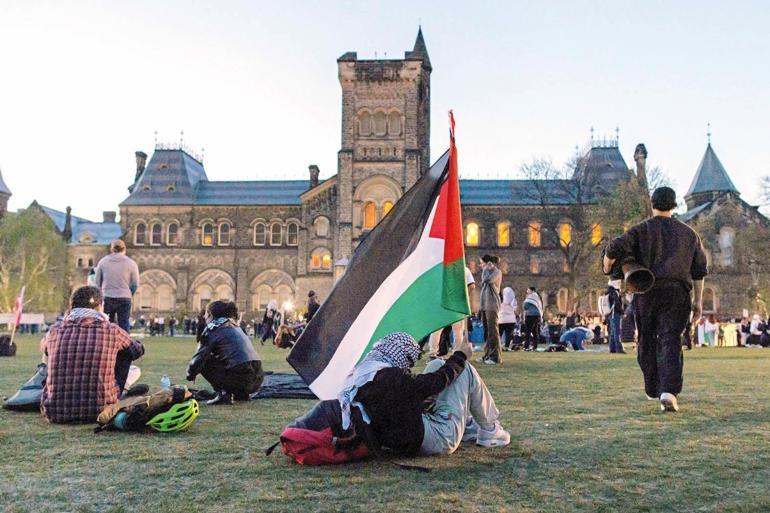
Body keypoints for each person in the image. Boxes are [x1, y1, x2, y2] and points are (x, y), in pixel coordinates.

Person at [604, 186, 708, 413]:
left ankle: (653, 387)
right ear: (674, 205)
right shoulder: (690, 234)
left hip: (647, 290)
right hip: (677, 292)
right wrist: (698, 302)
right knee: (671, 340)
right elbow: (699, 270)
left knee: (647, 340)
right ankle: (668, 391)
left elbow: (613, 247)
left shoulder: (641, 230)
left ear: (652, 204)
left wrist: (607, 264)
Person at [336, 332, 510, 457]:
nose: (407, 366)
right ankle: (490, 429)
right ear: (397, 353)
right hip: (435, 439)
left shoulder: (362, 376)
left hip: (402, 439)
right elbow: (435, 382)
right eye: (408, 360)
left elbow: (401, 403)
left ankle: (468, 425)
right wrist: (461, 356)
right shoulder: (389, 379)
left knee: (436, 364)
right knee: (465, 371)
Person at [40, 286, 145, 424]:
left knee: (49, 350)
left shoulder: (54, 331)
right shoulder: (112, 330)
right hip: (102, 410)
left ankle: (56, 391)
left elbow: (44, 350)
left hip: (55, 412)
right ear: (100, 306)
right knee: (127, 355)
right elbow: (137, 350)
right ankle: (119, 391)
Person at [186, 300, 264, 405]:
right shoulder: (235, 325)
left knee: (206, 360)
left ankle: (223, 394)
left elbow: (198, 359)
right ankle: (242, 395)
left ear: (210, 314)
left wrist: (190, 374)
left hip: (239, 379)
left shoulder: (212, 328)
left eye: (205, 314)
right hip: (258, 379)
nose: (204, 317)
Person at [428, 265, 476, 358]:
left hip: (444, 302)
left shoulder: (442, 268)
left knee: (437, 329)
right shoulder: (464, 269)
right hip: (457, 303)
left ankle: (432, 353)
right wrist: (464, 297)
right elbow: (472, 286)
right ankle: (456, 353)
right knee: (458, 331)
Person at [94, 239, 140, 334]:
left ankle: (106, 346)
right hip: (124, 297)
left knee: (106, 325)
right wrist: (129, 293)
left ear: (112, 249)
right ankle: (125, 347)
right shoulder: (131, 263)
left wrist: (101, 294)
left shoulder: (103, 262)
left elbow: (97, 282)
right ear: (124, 249)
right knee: (124, 324)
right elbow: (135, 283)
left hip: (107, 296)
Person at [478, 255, 502, 365]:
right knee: (487, 332)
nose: (480, 266)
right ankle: (487, 354)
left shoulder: (496, 272)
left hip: (492, 305)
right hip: (484, 305)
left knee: (493, 332)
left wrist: (488, 269)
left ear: (488, 263)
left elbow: (488, 280)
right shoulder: (486, 272)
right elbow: (484, 280)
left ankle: (495, 357)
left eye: (482, 263)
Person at [606, 280, 626, 354]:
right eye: (618, 283)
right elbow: (617, 304)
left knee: (612, 332)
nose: (620, 284)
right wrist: (622, 312)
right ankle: (619, 349)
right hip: (615, 313)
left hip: (610, 314)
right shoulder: (614, 292)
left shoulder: (609, 292)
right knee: (617, 331)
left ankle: (612, 348)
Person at [522, 287, 543, 351]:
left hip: (530, 315)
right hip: (537, 315)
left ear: (531, 290)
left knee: (528, 331)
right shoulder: (537, 296)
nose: (527, 291)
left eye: (528, 290)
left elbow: (525, 306)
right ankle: (535, 346)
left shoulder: (530, 296)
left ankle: (526, 346)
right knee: (535, 331)